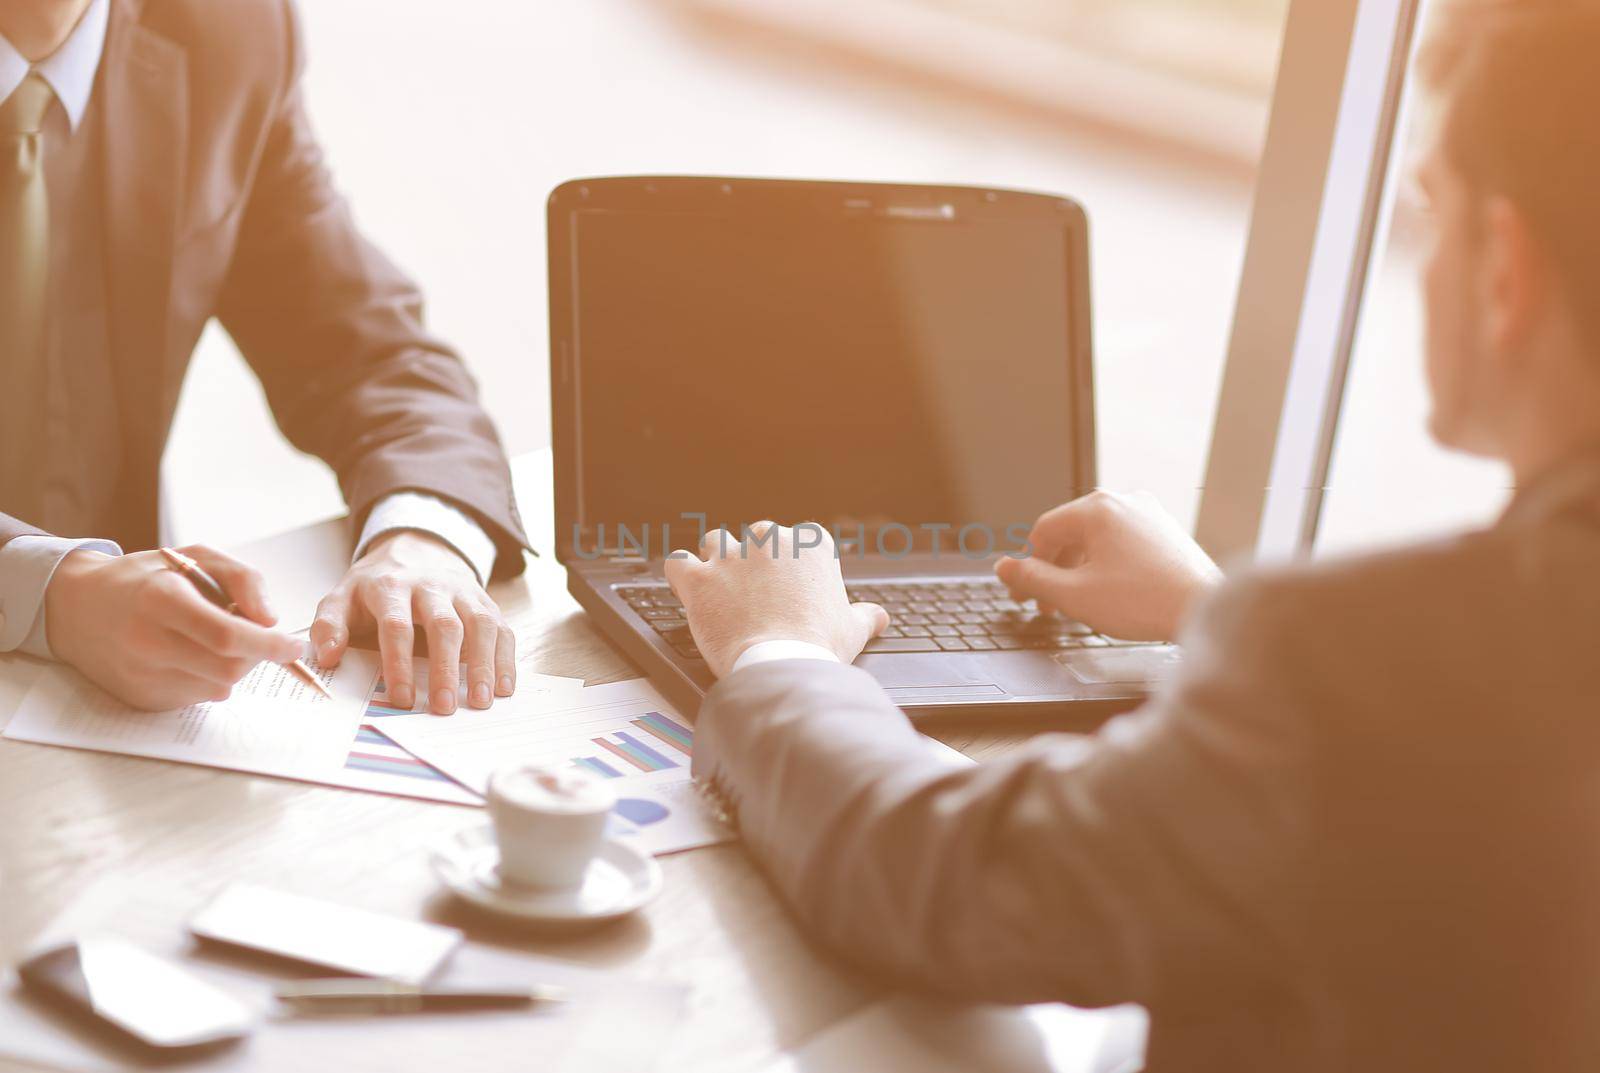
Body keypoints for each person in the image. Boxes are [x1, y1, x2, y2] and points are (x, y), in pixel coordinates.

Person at [665, 4, 1600, 1070]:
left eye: (1431, 208)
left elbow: (945, 882)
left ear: (1503, 271)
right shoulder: (1435, 656)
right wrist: (1212, 611)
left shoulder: (1351, 661)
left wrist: (775, 647)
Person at [0, 0, 528, 714]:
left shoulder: (227, 29)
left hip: (120, 709)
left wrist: (421, 534)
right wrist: (51, 590)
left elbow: (371, 352)